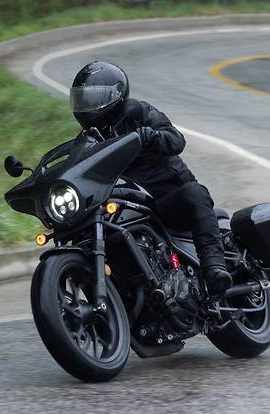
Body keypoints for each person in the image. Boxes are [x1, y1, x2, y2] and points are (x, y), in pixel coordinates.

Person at [70, 61, 233, 296]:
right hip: (129, 205)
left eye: (95, 98)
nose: (88, 106)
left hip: (167, 198)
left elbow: (176, 140)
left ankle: (214, 267)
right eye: (83, 99)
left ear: (116, 95)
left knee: (195, 192)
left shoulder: (139, 114)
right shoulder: (87, 140)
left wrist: (151, 136)